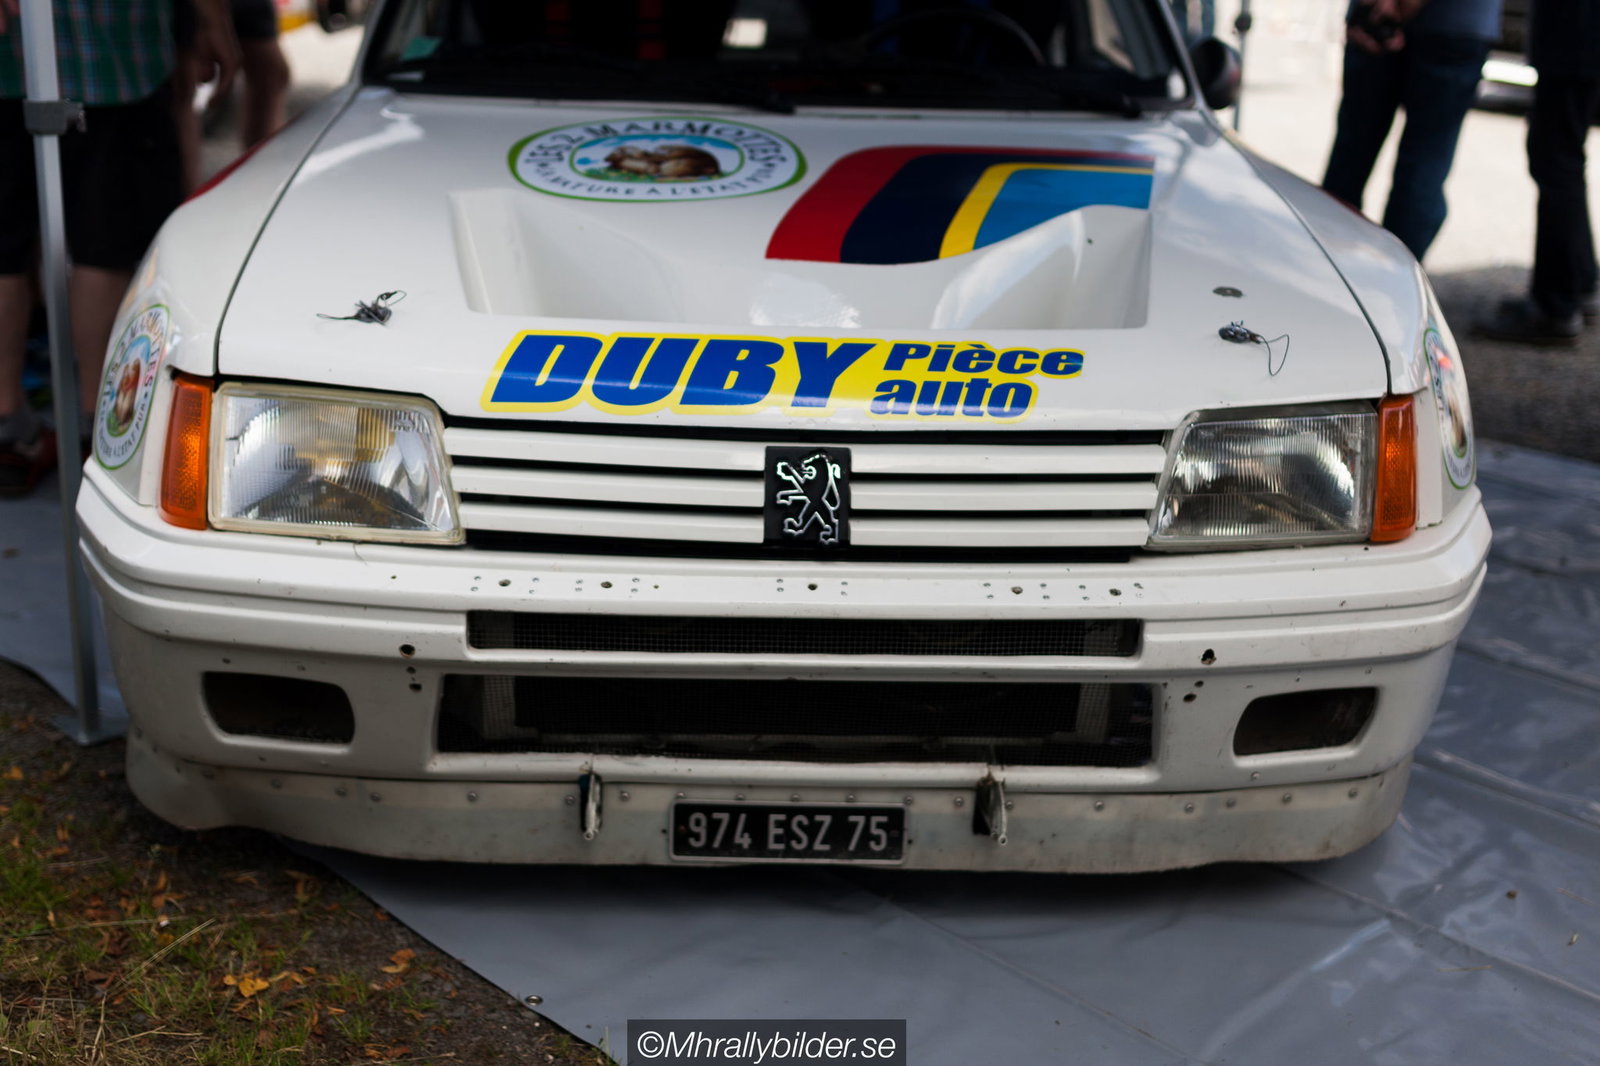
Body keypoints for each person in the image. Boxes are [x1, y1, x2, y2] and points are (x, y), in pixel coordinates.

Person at [0, 0, 237, 495]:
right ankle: (96, 432)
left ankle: (11, 433)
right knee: (104, 249)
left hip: (28, 59)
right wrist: (210, 19)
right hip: (106, 60)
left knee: (10, 250)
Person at [1321, 0, 1501, 263]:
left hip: (1414, 19)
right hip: (1453, 25)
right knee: (1414, 166)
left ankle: (1349, 277)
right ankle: (1388, 285)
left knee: (1358, 159)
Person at [1475, 0, 1600, 346]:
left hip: (1573, 39)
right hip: (1577, 40)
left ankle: (1556, 305)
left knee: (1556, 159)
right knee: (1563, 158)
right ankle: (1579, 283)